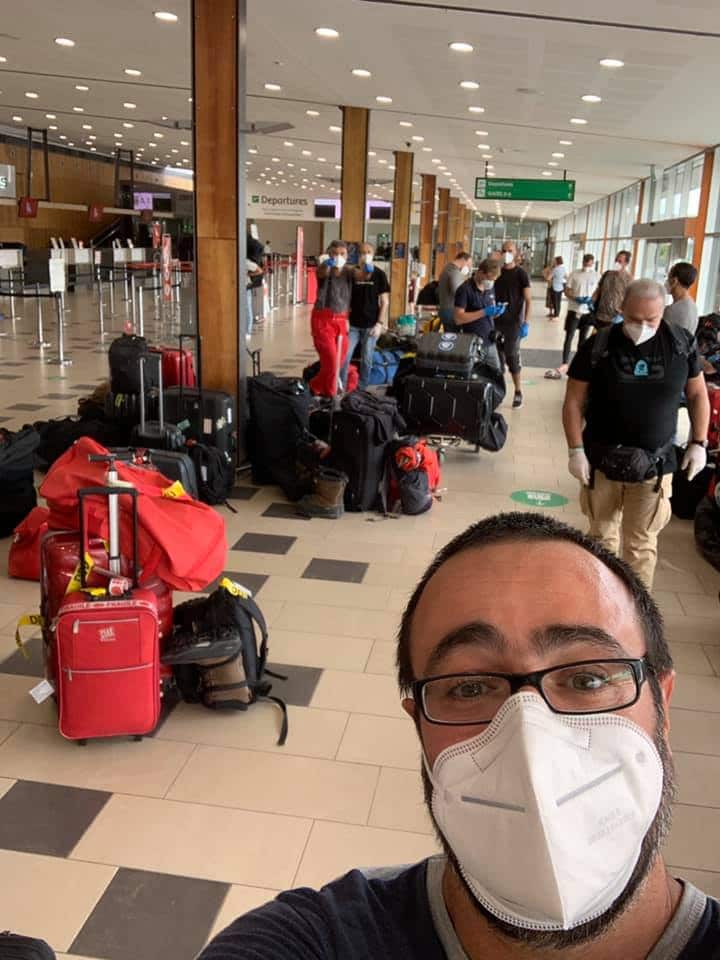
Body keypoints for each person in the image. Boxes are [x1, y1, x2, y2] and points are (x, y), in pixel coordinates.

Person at [200, 511, 720, 960]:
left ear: (663, 707)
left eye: (587, 678)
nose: (530, 744)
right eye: (470, 687)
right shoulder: (317, 940)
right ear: (419, 728)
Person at [563, 278, 710, 588]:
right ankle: (602, 600)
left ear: (664, 312)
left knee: (640, 544)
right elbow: (574, 400)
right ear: (621, 310)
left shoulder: (681, 344)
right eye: (633, 319)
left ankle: (637, 612)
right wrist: (575, 450)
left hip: (653, 467)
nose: (641, 326)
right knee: (601, 537)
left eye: (650, 320)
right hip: (601, 462)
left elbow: (698, 394)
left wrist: (699, 442)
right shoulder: (599, 345)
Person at [340, 241, 390, 390]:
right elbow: (345, 300)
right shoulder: (352, 274)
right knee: (345, 356)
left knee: (367, 358)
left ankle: (362, 387)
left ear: (373, 255)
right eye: (362, 252)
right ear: (357, 255)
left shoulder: (380, 274)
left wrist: (380, 324)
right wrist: (345, 320)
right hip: (353, 324)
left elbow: (385, 302)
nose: (365, 255)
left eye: (368, 252)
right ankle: (341, 386)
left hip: (371, 325)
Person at [310, 241, 354, 398]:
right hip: (323, 319)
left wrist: (367, 267)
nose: (339, 257)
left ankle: (315, 386)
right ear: (329, 254)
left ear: (347, 256)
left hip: (341, 320)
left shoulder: (348, 271)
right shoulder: (325, 268)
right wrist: (328, 263)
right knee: (331, 359)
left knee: (338, 361)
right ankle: (331, 394)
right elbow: (322, 272)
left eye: (342, 254)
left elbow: (362, 275)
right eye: (335, 254)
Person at [547, 253, 600, 378]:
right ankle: (565, 362)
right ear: (583, 262)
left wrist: (591, 300)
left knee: (583, 339)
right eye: (585, 263)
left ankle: (579, 364)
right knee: (569, 337)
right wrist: (576, 298)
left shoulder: (596, 276)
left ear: (592, 263)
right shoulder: (574, 274)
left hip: (587, 312)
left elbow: (598, 291)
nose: (587, 265)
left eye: (589, 263)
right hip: (574, 310)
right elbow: (567, 290)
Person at [494, 240, 532, 409]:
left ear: (516, 253)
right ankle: (498, 391)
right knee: (496, 360)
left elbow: (529, 300)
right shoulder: (496, 272)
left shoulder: (521, 274)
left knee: (512, 357)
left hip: (513, 324)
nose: (506, 253)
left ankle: (518, 391)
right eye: (504, 250)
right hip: (495, 321)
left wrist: (526, 322)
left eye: (510, 250)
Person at [453, 258, 505, 369]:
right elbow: (458, 318)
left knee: (497, 373)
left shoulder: (489, 288)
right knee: (475, 377)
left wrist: (497, 312)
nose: (491, 282)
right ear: (481, 272)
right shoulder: (464, 290)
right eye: (489, 279)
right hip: (473, 344)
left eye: (493, 280)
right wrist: (484, 312)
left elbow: (490, 313)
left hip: (490, 342)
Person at [593, 249, 633, 327]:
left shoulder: (629, 279)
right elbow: (599, 289)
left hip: (615, 318)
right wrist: (592, 300)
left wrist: (623, 312)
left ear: (626, 263)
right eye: (616, 260)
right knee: (598, 338)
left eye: (620, 261)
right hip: (600, 315)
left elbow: (631, 298)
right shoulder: (607, 274)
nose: (616, 263)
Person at [437, 251, 472, 331]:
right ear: (463, 260)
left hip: (444, 309)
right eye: (468, 264)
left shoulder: (446, 268)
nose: (469, 268)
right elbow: (458, 292)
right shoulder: (455, 272)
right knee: (454, 339)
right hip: (451, 311)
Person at [664, 261, 699, 335]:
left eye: (668, 277)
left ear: (674, 281)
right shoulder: (693, 306)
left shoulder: (672, 310)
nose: (666, 281)